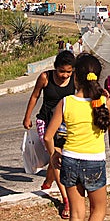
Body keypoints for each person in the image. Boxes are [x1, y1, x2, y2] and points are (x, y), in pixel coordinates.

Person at [44, 53, 110, 221]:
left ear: (75, 77)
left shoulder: (66, 102)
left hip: (70, 160)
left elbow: (48, 137)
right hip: (94, 162)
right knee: (98, 210)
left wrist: (54, 155)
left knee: (76, 213)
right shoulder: (105, 102)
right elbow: (109, 122)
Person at [23, 50, 76, 219]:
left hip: (66, 124)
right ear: (55, 68)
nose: (64, 75)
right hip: (45, 123)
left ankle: (48, 181)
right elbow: (35, 96)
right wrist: (27, 116)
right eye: (62, 71)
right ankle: (66, 200)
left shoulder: (74, 80)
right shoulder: (45, 77)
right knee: (56, 157)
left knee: (56, 159)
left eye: (68, 71)